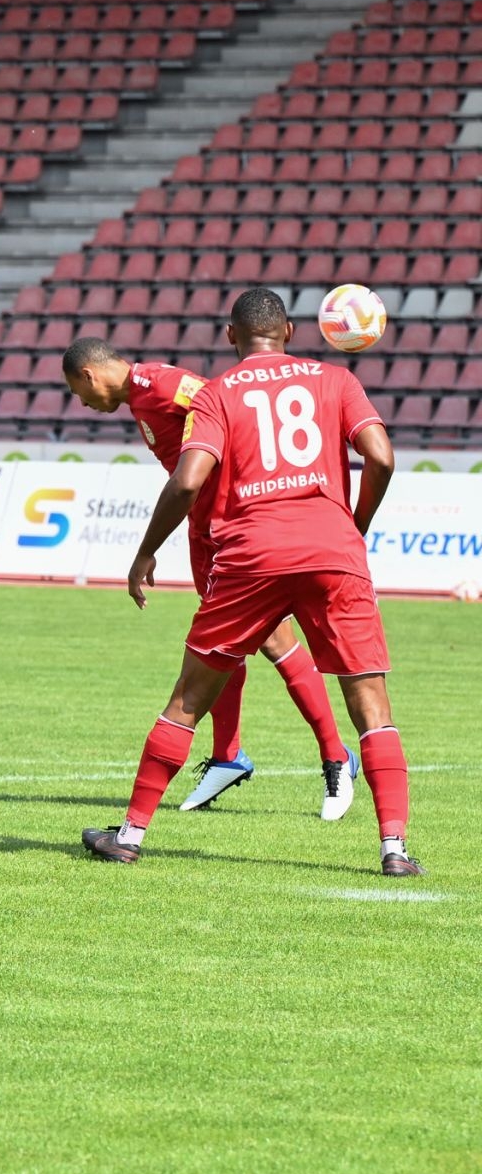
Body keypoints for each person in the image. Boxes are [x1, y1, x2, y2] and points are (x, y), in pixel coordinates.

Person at [83, 289, 419, 876]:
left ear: (230, 336)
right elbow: (383, 458)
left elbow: (189, 481)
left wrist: (145, 551)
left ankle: (130, 835)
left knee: (188, 698)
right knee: (371, 703)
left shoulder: (216, 392)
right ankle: (394, 849)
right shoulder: (337, 380)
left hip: (251, 553)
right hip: (332, 550)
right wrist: (354, 524)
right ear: (289, 331)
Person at [63, 338, 356, 818]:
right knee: (220, 644)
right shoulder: (141, 399)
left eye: (79, 392)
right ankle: (228, 755)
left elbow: (221, 401)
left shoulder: (161, 385)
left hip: (236, 526)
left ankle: (335, 753)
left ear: (90, 374)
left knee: (275, 640)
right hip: (205, 531)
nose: (83, 403)